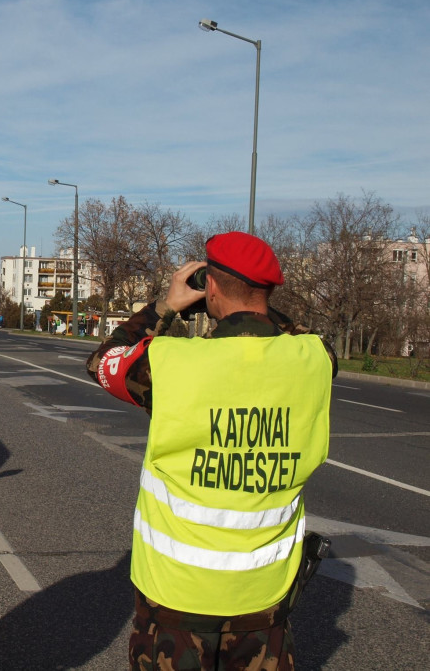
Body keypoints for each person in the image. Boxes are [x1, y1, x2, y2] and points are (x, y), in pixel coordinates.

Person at [86, 232, 337, 671]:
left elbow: (104, 360)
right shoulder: (316, 359)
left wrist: (166, 307)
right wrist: (251, 305)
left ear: (211, 287)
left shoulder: (169, 363)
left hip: (176, 594)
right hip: (265, 596)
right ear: (268, 292)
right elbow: (296, 331)